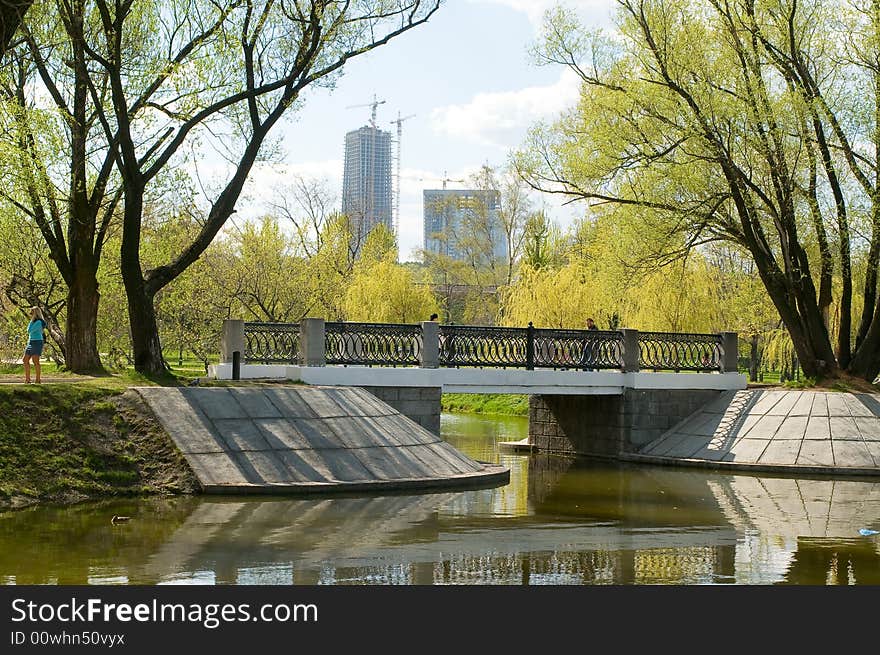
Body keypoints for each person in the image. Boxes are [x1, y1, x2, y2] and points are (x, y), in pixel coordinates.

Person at [23, 306, 46, 384]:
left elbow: (30, 330)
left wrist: (32, 321)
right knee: (25, 360)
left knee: (35, 361)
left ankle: (38, 380)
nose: (30, 314)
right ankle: (27, 379)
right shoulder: (33, 321)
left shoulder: (39, 322)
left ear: (35, 313)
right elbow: (28, 330)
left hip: (37, 342)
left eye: (32, 312)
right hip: (30, 342)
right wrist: (31, 320)